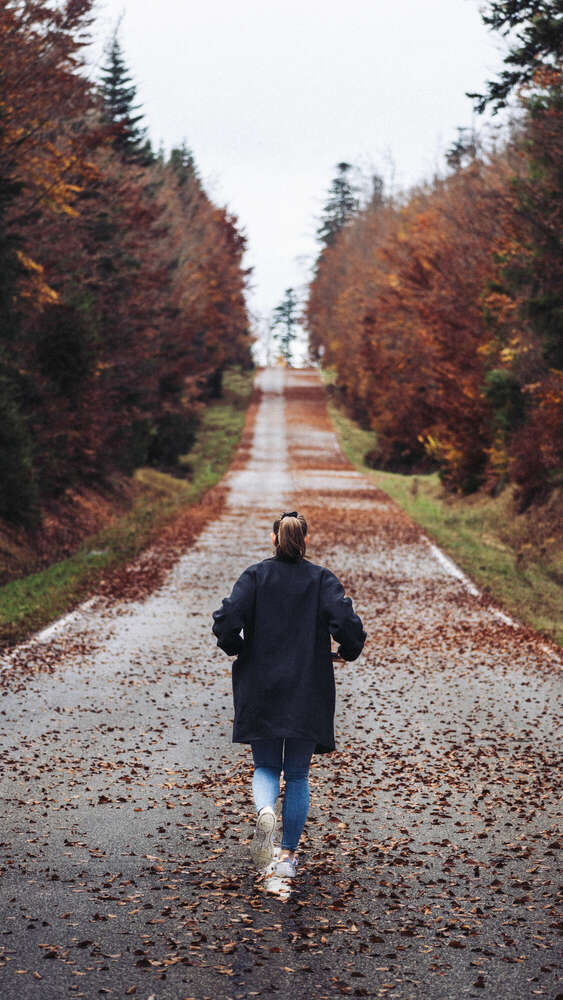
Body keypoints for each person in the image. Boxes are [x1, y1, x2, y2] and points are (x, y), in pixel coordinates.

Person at [211, 511, 366, 879]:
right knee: (297, 775)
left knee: (265, 765)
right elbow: (346, 622)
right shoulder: (321, 579)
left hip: (260, 683)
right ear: (305, 541)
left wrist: (235, 646)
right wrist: (348, 649)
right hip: (307, 685)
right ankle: (286, 857)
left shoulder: (255, 576)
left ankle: (265, 810)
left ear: (273, 538)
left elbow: (227, 617)